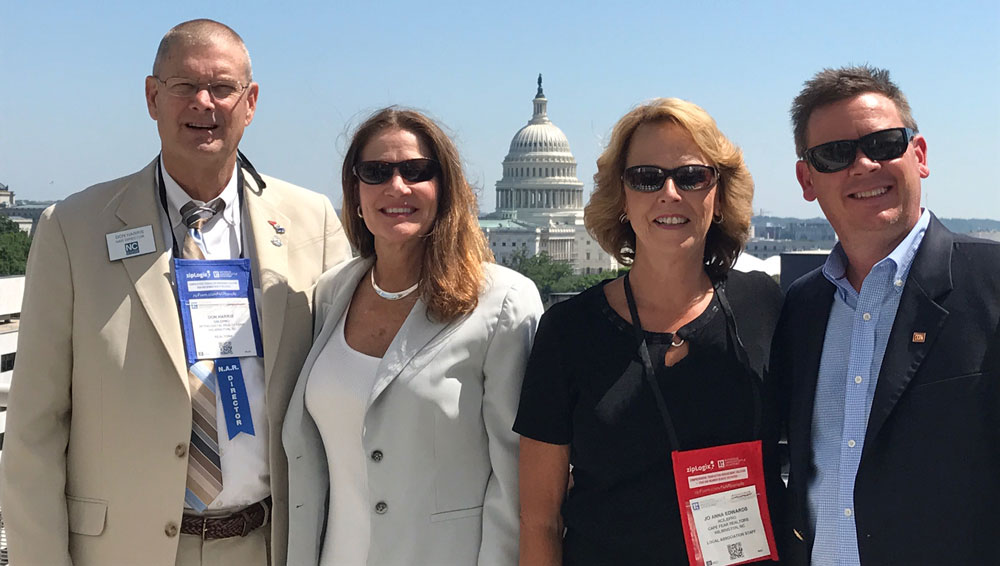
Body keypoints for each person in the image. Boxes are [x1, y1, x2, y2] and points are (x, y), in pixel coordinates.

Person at [0, 19, 351, 566]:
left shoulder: (314, 224)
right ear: (152, 97)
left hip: (270, 545)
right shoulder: (74, 229)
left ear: (250, 101)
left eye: (223, 87)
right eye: (184, 86)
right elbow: (34, 428)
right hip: (122, 549)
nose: (204, 103)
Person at [515, 98, 785, 565]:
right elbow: (539, 519)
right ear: (622, 197)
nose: (669, 193)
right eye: (646, 178)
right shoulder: (568, 331)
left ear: (718, 193)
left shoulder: (764, 305)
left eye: (692, 176)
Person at [282, 107, 543, 566]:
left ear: (444, 188)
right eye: (376, 172)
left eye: (416, 171)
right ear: (355, 192)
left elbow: (516, 480)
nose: (396, 187)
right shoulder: (331, 292)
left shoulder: (503, 302)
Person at [775, 65, 1000, 566]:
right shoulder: (801, 307)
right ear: (806, 180)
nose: (862, 166)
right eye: (834, 154)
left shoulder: (992, 283)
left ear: (918, 156)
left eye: (883, 144)